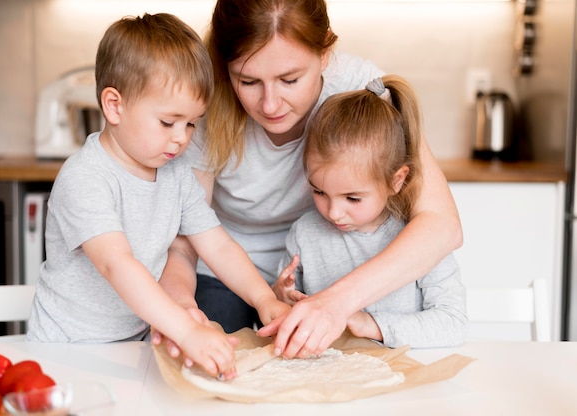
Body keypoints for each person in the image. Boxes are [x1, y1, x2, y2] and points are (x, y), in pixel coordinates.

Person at [159, 0, 463, 358]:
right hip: (223, 272)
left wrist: (336, 302)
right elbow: (185, 238)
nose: (270, 105)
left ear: (325, 54)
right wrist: (178, 301)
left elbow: (442, 226)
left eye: (290, 79)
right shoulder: (205, 103)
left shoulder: (360, 89)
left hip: (326, 274)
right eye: (248, 81)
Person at [26, 13, 289, 379]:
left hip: (133, 345)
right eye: (168, 122)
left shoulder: (176, 173)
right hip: (67, 350)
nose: (182, 138)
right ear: (114, 106)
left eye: (192, 123)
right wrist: (186, 331)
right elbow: (116, 264)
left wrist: (264, 300)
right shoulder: (86, 177)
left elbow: (216, 245)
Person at [273, 76, 467, 348]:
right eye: (319, 192)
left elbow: (452, 324)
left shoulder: (420, 240)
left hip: (406, 378)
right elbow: (294, 318)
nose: (334, 212)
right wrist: (282, 298)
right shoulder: (304, 234)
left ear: (396, 180)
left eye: (352, 198)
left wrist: (372, 325)